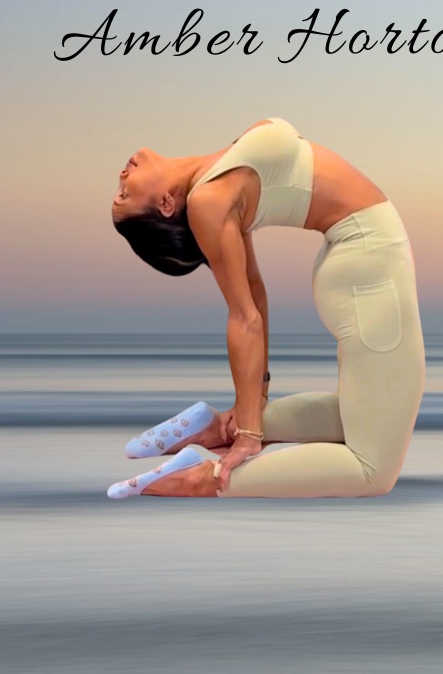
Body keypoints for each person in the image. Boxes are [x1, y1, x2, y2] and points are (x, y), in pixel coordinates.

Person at [109, 117, 425, 498]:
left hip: (365, 262)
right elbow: (245, 317)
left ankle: (216, 430)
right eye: (124, 195)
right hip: (370, 267)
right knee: (373, 470)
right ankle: (202, 479)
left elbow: (255, 291)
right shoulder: (208, 200)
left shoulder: (216, 178)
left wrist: (253, 407)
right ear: (165, 204)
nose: (122, 177)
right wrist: (249, 434)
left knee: (370, 414)